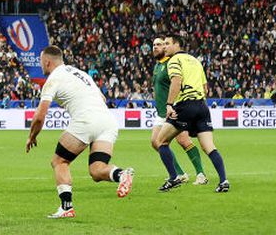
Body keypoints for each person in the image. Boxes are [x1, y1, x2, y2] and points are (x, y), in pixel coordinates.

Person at [26, 46, 133, 219]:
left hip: (86, 120)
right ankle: (122, 174)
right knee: (97, 171)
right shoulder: (81, 73)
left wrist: (32, 136)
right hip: (107, 121)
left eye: (41, 62)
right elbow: (103, 98)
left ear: (47, 62)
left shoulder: (53, 79)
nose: (41, 66)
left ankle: (66, 208)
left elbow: (40, 115)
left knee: (59, 161)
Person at [151, 35, 229, 193]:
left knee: (161, 141)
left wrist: (169, 104)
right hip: (202, 106)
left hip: (185, 106)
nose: (165, 47)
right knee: (209, 146)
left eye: (167, 44)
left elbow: (176, 81)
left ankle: (174, 178)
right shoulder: (195, 61)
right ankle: (223, 181)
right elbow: (205, 87)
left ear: (177, 45)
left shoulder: (174, 60)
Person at [149, 36, 207, 190]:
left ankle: (201, 174)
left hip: (174, 109)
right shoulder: (157, 66)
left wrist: (174, 105)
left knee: (183, 141)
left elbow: (179, 82)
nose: (156, 47)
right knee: (156, 142)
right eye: (154, 45)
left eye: (160, 45)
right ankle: (180, 174)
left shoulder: (172, 63)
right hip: (161, 112)